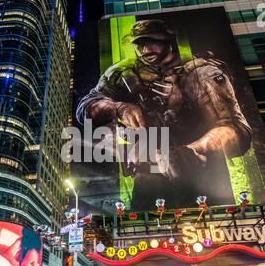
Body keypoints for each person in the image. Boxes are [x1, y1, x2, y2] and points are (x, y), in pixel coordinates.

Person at [76, 19, 252, 209]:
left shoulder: (200, 72)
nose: (146, 49)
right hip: (150, 176)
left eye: (152, 41)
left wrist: (192, 151)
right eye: (140, 44)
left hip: (202, 173)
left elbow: (235, 129)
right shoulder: (123, 72)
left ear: (168, 41)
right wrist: (118, 107)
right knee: (144, 231)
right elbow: (85, 108)